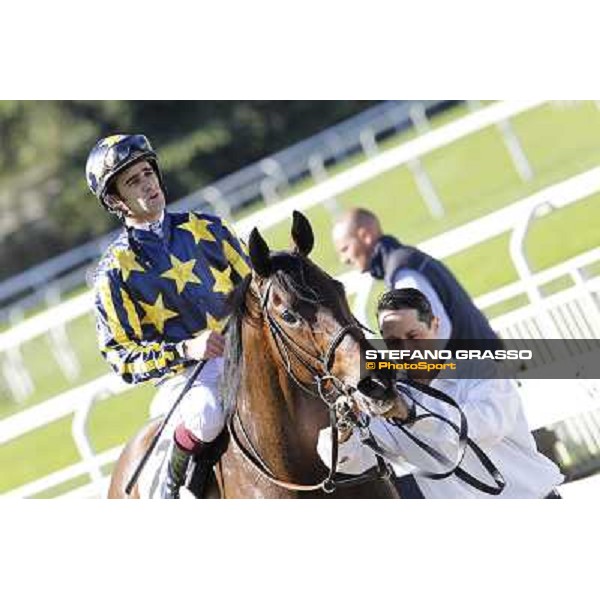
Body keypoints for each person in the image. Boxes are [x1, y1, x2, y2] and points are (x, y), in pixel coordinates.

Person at [86, 134, 251, 498]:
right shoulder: (113, 273)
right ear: (116, 200)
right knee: (207, 414)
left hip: (246, 355)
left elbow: (256, 288)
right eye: (133, 181)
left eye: (148, 173)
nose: (147, 184)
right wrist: (185, 350)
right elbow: (121, 358)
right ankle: (174, 491)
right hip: (185, 380)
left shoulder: (210, 228)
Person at [318, 288, 564, 498]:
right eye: (393, 342)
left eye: (414, 336)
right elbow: (353, 460)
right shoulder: (390, 396)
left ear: (435, 325)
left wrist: (411, 414)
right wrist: (343, 431)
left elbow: (478, 428)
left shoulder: (483, 370)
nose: (406, 349)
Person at [332, 208, 502, 351]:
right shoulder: (403, 262)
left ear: (365, 236)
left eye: (345, 249)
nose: (343, 259)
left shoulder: (402, 271)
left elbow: (437, 333)